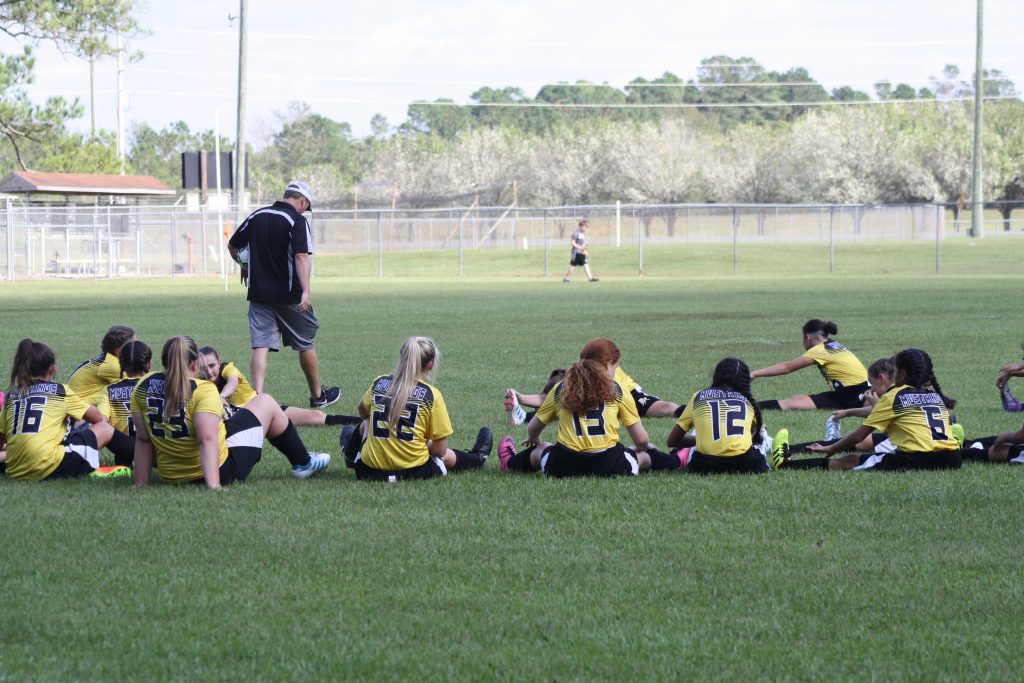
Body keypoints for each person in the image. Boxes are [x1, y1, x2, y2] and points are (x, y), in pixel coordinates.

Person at [131, 336, 331, 489]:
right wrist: (214, 486)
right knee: (266, 402)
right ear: (195, 364)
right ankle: (303, 463)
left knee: (242, 416)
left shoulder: (142, 385)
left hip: (170, 474)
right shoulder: (203, 389)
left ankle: (304, 461)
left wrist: (140, 484)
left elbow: (142, 439)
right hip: (218, 471)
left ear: (164, 362)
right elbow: (206, 440)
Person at [227, 181, 340, 410]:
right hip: (290, 296)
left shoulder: (257, 215)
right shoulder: (297, 221)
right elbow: (301, 257)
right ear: (302, 201)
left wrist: (244, 265)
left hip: (259, 295)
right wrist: (306, 290)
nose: (304, 210)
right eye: (305, 207)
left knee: (260, 345)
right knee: (305, 343)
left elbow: (233, 245)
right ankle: (318, 396)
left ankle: (256, 397)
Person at [497, 338, 681, 477]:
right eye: (615, 367)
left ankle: (510, 462)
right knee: (642, 455)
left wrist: (533, 438)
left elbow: (533, 427)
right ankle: (678, 460)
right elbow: (641, 440)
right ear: (607, 364)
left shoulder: (561, 389)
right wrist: (643, 446)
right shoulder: (618, 391)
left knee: (542, 450)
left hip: (564, 467)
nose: (616, 372)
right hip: (610, 466)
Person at [773, 348, 961, 471]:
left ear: (902, 374)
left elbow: (858, 436)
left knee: (848, 461)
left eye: (894, 371)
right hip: (953, 459)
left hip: (918, 460)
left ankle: (785, 465)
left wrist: (830, 448)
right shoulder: (935, 396)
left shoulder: (895, 396)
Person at [340, 336, 492, 481]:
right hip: (414, 472)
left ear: (402, 358)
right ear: (431, 364)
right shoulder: (431, 395)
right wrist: (420, 441)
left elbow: (362, 411)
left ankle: (350, 454)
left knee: (366, 422)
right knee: (445, 455)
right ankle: (476, 459)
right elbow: (440, 451)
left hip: (368, 472)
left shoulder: (379, 383)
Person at [0, 339, 115, 481]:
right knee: (105, 428)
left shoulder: (11, 395)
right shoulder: (60, 391)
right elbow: (99, 419)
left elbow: (1, 441)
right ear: (51, 369)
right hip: (47, 467)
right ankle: (133, 457)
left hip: (14, 469)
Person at [198, 346, 358, 427]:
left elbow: (232, 383)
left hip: (262, 410)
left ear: (219, 362)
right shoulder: (201, 382)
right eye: (204, 368)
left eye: (212, 365)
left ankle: (361, 422)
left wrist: (221, 396)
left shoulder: (228, 369)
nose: (209, 371)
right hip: (245, 421)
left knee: (315, 416)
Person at [667, 358, 770, 474]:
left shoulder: (699, 397)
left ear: (715, 376)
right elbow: (749, 438)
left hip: (704, 466)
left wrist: (703, 438)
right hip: (745, 464)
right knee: (762, 435)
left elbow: (672, 441)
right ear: (746, 381)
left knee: (697, 440)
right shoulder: (747, 401)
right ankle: (776, 448)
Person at [751, 319, 869, 411]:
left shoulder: (819, 350)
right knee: (795, 401)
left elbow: (787, 367)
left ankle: (752, 407)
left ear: (807, 337)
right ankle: (752, 408)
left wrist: (754, 374)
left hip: (858, 394)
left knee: (792, 403)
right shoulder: (833, 344)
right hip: (843, 394)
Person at [97, 340, 153, 468]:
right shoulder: (156, 386)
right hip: (154, 448)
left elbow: (100, 421)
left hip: (123, 449)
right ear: (148, 363)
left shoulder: (110, 390)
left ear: (121, 364)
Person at [67, 325, 136, 406]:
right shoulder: (112, 366)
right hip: (78, 411)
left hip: (82, 406)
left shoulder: (109, 357)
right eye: (133, 345)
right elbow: (138, 387)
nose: (138, 347)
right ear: (118, 350)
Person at [562, 218, 598, 282]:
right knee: (574, 265)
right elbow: (572, 243)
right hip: (576, 253)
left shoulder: (583, 234)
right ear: (580, 226)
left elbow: (582, 243)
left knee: (584, 264)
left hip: (581, 252)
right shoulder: (576, 233)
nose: (585, 228)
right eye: (584, 227)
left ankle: (590, 278)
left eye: (586, 227)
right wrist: (580, 248)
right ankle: (566, 278)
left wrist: (584, 249)